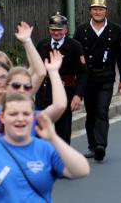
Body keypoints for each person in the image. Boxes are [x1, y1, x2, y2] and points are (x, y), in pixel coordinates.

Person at [0, 93, 90, 201]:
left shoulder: (45, 150)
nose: (20, 119)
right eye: (13, 114)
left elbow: (82, 170)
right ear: (2, 117)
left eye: (26, 114)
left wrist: (53, 138)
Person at [74, 0, 121, 161]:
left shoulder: (115, 29)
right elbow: (75, 56)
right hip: (88, 77)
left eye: (101, 9)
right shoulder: (81, 30)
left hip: (106, 76)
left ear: (106, 11)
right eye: (95, 9)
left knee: (102, 110)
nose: (98, 12)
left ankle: (100, 145)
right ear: (90, 11)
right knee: (90, 112)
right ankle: (92, 145)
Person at [35, 12, 87, 144]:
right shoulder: (42, 45)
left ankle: (62, 155)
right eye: (53, 29)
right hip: (43, 93)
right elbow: (34, 68)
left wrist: (78, 95)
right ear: (49, 29)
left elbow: (82, 73)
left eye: (60, 29)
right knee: (39, 129)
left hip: (65, 92)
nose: (56, 33)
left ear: (66, 29)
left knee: (62, 131)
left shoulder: (75, 46)